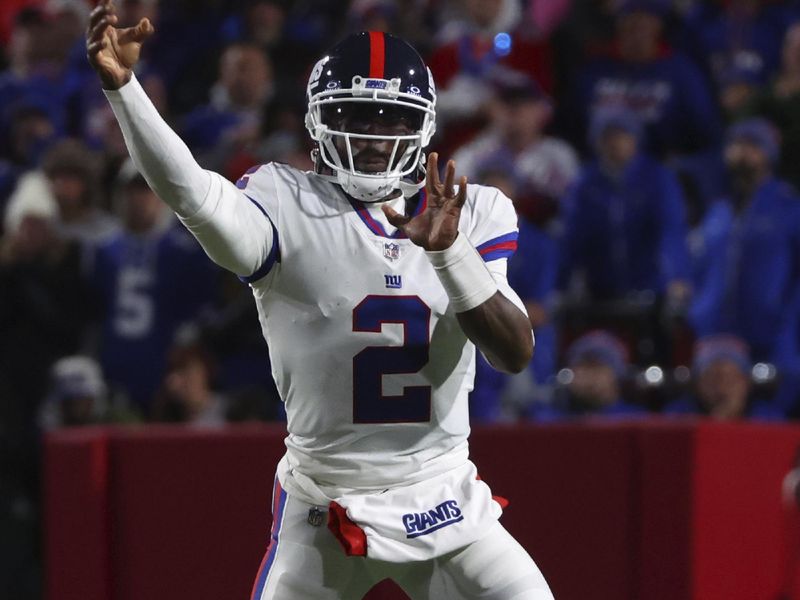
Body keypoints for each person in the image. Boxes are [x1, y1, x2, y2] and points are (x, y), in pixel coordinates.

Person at [86, 4, 553, 600]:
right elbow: (195, 197)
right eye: (357, 117)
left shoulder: (473, 210)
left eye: (390, 121)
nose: (374, 137)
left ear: (424, 127)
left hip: (445, 495)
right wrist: (126, 92)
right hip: (325, 502)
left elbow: (513, 353)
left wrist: (450, 255)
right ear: (319, 122)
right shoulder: (285, 201)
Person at [688, 118, 800, 364]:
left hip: (769, 336)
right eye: (736, 144)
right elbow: (700, 265)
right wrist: (697, 308)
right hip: (713, 333)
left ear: (769, 153)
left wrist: (787, 322)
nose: (742, 152)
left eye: (752, 145)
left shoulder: (789, 207)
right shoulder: (718, 210)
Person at [528, 329, 647, 422]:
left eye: (597, 367)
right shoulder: (551, 421)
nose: (589, 376)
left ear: (617, 375)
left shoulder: (635, 419)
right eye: (583, 367)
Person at [663, 334, 784, 420]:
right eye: (713, 378)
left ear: (746, 383)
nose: (722, 387)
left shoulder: (768, 419)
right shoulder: (678, 416)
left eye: (730, 379)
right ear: (697, 384)